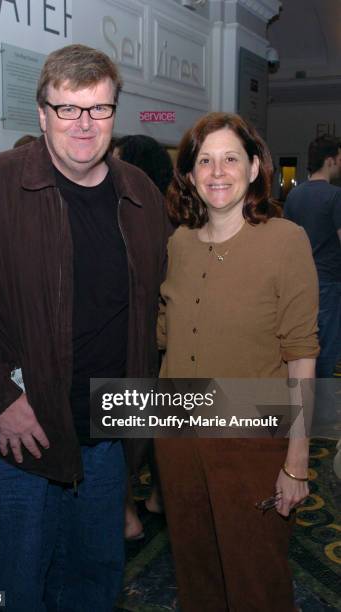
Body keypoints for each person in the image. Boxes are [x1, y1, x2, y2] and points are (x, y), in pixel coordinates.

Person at [0, 44, 169, 612]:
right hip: (16, 438)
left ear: (115, 113)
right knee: (12, 586)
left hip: (107, 438)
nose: (84, 125)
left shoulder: (140, 193)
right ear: (41, 113)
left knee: (93, 582)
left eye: (99, 109)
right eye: (68, 109)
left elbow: (156, 308)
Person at [155, 112, 319, 611]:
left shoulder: (285, 241)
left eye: (230, 158)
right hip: (178, 438)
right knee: (195, 570)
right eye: (204, 160)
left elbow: (302, 359)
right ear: (188, 174)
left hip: (251, 441)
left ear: (253, 169)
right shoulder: (178, 243)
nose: (217, 171)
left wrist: (296, 462)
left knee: (256, 578)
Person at [113, 134, 172, 540]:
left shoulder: (134, 218)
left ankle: (128, 515)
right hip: (164, 347)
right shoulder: (178, 219)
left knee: (121, 433)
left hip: (136, 343)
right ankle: (159, 499)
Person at [284, 135, 341, 379]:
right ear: (330, 160)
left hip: (299, 285)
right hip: (328, 283)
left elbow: (285, 241)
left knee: (303, 348)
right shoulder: (336, 196)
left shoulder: (294, 195)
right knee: (327, 349)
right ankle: (323, 413)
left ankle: (305, 406)